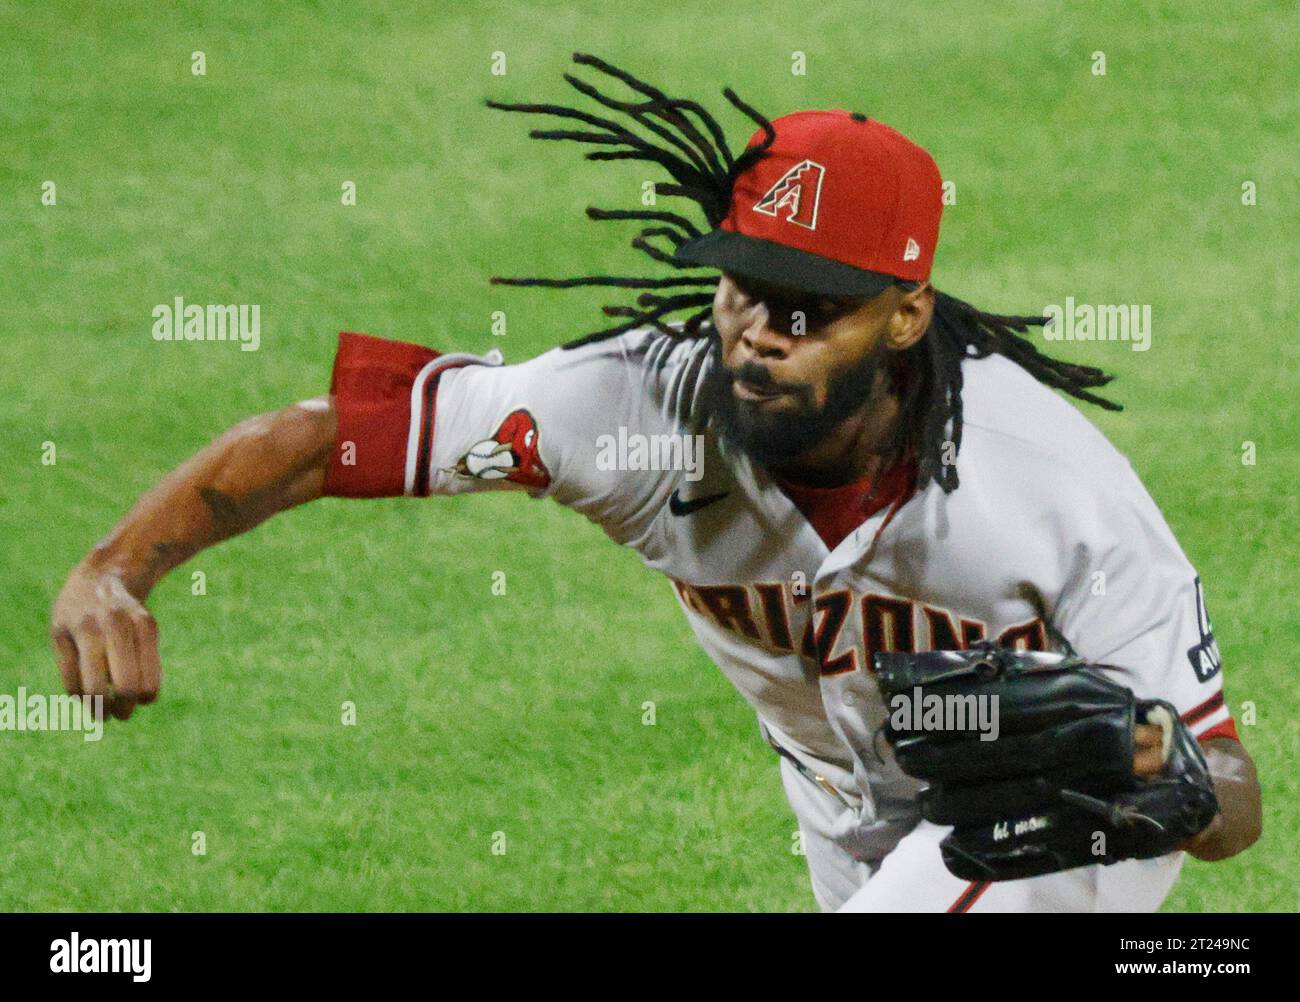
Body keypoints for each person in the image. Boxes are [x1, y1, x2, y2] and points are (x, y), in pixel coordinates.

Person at [50, 55, 1260, 912]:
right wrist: (116, 569)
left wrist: (1158, 763)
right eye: (742, 288)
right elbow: (329, 439)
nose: (757, 335)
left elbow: (1236, 805)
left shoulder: (1050, 487)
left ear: (904, 316)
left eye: (808, 310)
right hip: (844, 815)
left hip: (1054, 820)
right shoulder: (637, 411)